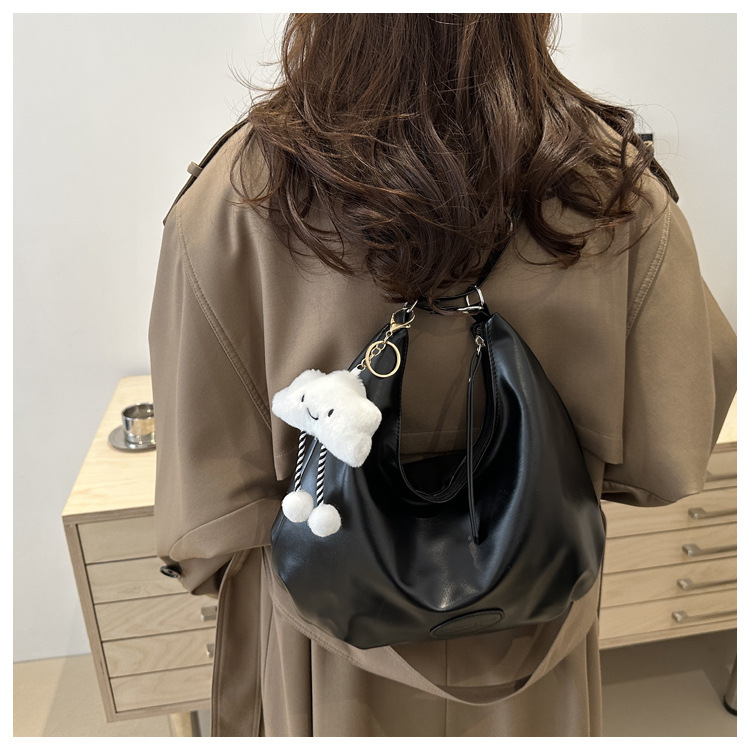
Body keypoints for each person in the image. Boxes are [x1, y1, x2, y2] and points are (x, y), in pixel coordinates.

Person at [147, 13, 736, 737]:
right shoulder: (607, 183)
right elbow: (668, 448)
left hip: (328, 640)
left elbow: (203, 508)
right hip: (532, 613)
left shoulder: (242, 194)